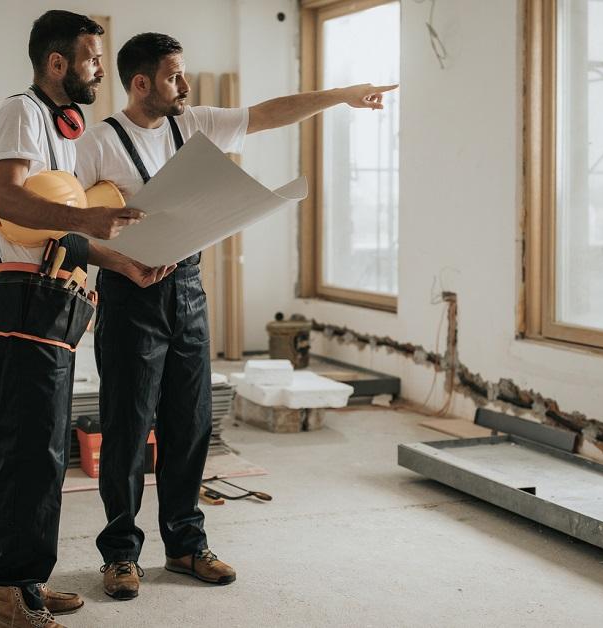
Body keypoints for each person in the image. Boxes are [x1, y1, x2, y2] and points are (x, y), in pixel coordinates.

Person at [74, 31, 396, 601]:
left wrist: (342, 94)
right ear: (141, 82)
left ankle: (185, 545)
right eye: (174, 75)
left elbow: (269, 114)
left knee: (191, 423)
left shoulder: (191, 124)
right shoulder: (97, 143)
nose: (185, 84)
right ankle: (121, 555)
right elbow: (72, 225)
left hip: (189, 290)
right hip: (129, 296)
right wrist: (119, 264)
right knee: (126, 429)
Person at [0, 11, 144, 627]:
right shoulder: (20, 111)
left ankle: (23, 583)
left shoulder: (62, 132)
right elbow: (5, 197)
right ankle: (9, 595)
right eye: (92, 58)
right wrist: (90, 222)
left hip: (55, 296)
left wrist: (121, 263)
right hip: (26, 297)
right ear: (57, 62)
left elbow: (63, 222)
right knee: (27, 451)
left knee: (45, 451)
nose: (100, 68)